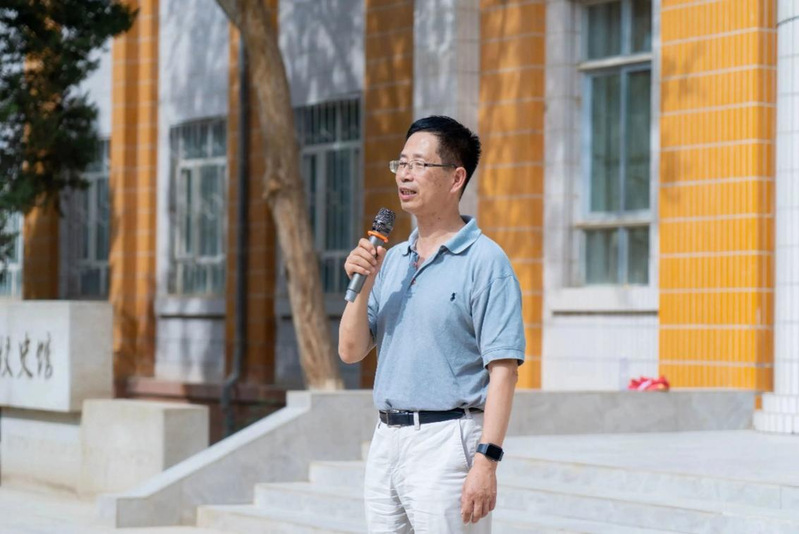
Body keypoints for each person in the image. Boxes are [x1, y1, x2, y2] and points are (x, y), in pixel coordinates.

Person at [339, 115, 525, 534]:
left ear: (456, 178)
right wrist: (364, 283)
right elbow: (350, 352)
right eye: (401, 163)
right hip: (387, 440)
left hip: (448, 441)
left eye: (419, 164)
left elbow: (504, 372)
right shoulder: (392, 260)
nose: (404, 174)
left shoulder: (485, 262)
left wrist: (486, 461)